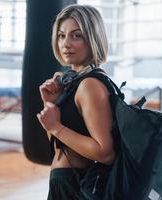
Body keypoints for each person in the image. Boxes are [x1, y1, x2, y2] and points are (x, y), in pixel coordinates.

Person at [37, 4, 115, 199]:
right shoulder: (75, 80)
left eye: (76, 35)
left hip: (74, 186)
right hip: (63, 182)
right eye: (62, 35)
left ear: (92, 38)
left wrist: (56, 127)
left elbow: (105, 152)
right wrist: (52, 104)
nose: (66, 43)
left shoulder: (90, 85)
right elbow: (59, 148)